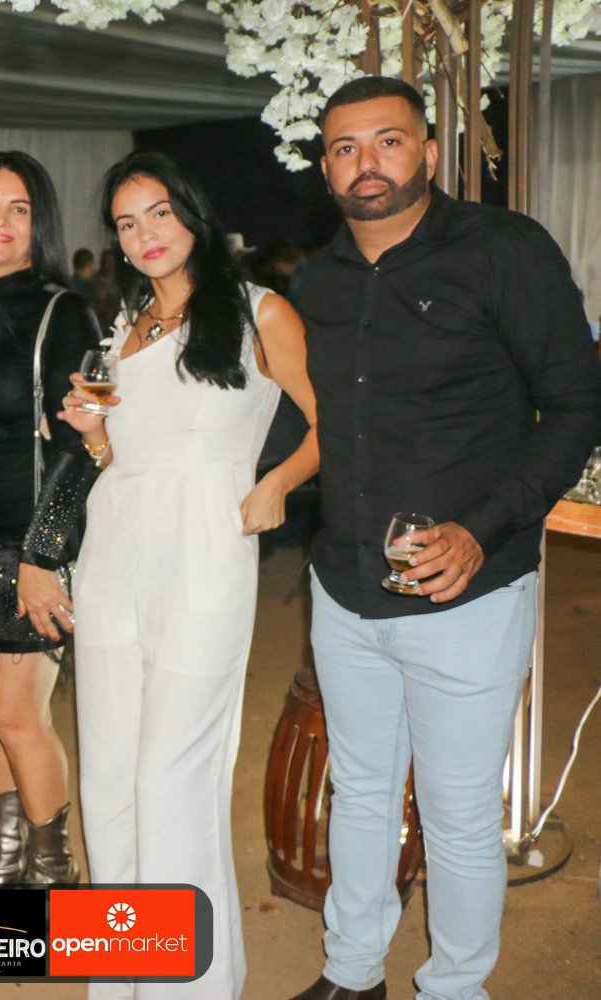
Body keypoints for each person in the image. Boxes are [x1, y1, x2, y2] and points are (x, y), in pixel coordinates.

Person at [287, 76, 601, 1000]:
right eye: (345, 147)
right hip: (345, 587)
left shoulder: (503, 250)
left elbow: (576, 405)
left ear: (428, 151)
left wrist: (484, 528)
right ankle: (352, 974)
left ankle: (455, 989)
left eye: (387, 141)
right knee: (360, 791)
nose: (366, 163)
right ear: (326, 168)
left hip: (468, 591)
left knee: (458, 813)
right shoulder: (315, 281)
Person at [59, 150, 320, 999]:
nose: (145, 235)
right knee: (109, 775)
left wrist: (278, 482)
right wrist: (93, 433)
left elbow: (334, 423)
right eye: (126, 223)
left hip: (204, 558)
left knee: (173, 779)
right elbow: (119, 459)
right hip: (112, 556)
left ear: (192, 214)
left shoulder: (259, 310)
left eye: (159, 214)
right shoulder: (125, 323)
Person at [0, 151, 100, 887]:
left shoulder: (63, 311)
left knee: (17, 716)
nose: (0, 221)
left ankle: (55, 872)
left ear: (41, 224)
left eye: (19, 208)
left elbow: (80, 444)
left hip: (23, 544)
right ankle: (8, 861)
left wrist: (43, 554)